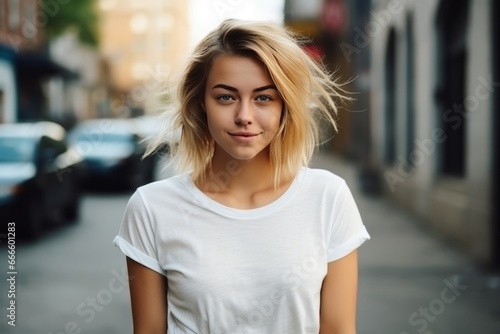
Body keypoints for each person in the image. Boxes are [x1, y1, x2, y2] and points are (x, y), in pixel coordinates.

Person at [113, 18, 370, 334]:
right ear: (201, 104)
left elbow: (339, 329)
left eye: (263, 97)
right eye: (225, 97)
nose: (244, 117)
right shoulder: (152, 208)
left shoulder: (328, 197)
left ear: (284, 106)